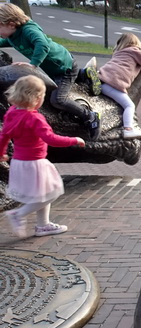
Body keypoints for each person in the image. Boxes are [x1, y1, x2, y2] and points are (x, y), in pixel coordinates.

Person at [0, 2, 101, 140]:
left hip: (64, 67)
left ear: (11, 24)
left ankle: (90, 116)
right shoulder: (12, 36)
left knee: (58, 100)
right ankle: (83, 74)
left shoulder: (29, 30)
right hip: (54, 69)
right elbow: (3, 42)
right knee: (56, 84)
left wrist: (33, 64)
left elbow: (42, 45)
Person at [0, 74, 85, 238]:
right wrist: (73, 140)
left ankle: (43, 225)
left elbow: (4, 135)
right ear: (37, 98)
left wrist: (1, 152)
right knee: (52, 192)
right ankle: (18, 214)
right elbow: (51, 139)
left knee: (43, 192)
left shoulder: (12, 113)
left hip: (19, 162)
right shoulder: (35, 118)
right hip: (35, 163)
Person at [96, 32, 141, 139]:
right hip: (111, 84)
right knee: (129, 105)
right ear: (134, 43)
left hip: (101, 80)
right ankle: (128, 129)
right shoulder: (133, 50)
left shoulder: (118, 53)